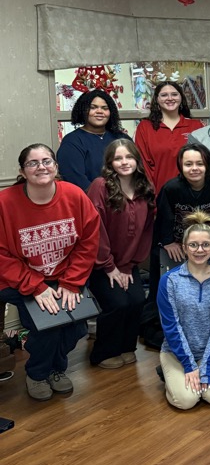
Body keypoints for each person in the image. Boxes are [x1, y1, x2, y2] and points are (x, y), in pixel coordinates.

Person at [0, 144, 99, 401]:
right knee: (47, 326)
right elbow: (2, 255)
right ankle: (38, 373)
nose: (41, 167)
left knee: (76, 327)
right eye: (33, 163)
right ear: (22, 171)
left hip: (65, 276)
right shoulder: (5, 202)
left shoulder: (75, 195)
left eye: (46, 161)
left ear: (56, 166)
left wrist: (72, 282)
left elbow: (88, 242)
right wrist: (36, 286)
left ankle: (55, 368)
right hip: (19, 278)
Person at [86, 140, 156, 369]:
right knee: (117, 303)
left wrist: (128, 266)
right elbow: (95, 229)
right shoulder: (100, 186)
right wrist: (110, 267)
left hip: (128, 263)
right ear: (110, 163)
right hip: (100, 264)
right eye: (118, 158)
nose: (124, 162)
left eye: (129, 157)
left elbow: (146, 231)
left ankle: (126, 347)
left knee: (136, 300)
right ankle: (103, 353)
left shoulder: (145, 187)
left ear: (137, 160)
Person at [157, 210, 210, 410]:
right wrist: (189, 366)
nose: (199, 250)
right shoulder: (169, 281)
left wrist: (207, 365)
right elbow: (171, 326)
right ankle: (169, 373)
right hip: (176, 352)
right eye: (193, 245)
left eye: (206, 244)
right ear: (184, 247)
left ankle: (196, 371)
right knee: (187, 401)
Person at [156, 142, 210, 269]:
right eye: (188, 164)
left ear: (207, 165)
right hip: (178, 245)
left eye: (200, 164)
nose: (194, 168)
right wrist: (168, 242)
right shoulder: (171, 188)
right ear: (181, 167)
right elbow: (163, 219)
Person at [134, 81, 201, 196]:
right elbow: (143, 165)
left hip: (193, 194)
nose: (170, 98)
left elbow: (203, 163)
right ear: (157, 100)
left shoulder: (196, 126)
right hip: (158, 195)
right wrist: (150, 195)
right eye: (164, 95)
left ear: (181, 98)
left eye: (174, 94)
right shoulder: (145, 127)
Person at [57, 88, 129, 191]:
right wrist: (103, 199)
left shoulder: (122, 138)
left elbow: (136, 171)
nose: (99, 111)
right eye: (93, 107)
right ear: (83, 110)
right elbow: (76, 180)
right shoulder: (72, 141)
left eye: (105, 108)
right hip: (91, 202)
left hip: (127, 199)